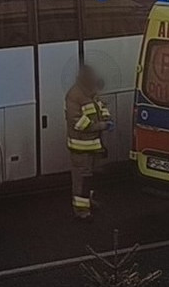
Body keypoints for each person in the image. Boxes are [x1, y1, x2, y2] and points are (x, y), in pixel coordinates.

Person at [65, 65, 114, 221]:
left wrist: (107, 118)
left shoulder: (91, 92)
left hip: (93, 146)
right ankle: (82, 211)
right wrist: (101, 125)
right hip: (81, 148)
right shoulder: (74, 95)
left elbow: (101, 108)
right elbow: (77, 123)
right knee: (81, 180)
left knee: (90, 178)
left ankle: (89, 202)